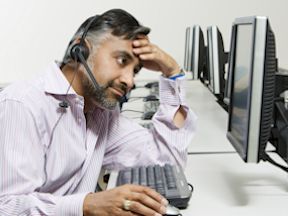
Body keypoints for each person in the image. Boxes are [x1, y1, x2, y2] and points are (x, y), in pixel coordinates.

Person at [0, 8, 196, 216]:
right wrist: (86, 205)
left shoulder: (100, 112)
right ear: (81, 50)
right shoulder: (22, 105)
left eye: (135, 71)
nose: (129, 81)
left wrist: (172, 73)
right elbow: (6, 206)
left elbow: (167, 161)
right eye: (122, 61)